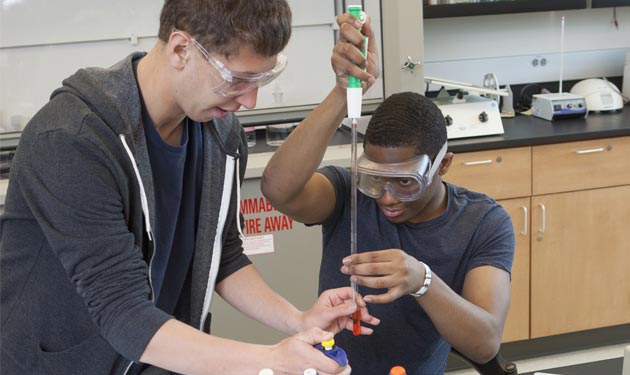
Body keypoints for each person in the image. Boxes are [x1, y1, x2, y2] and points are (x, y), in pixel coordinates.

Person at [0, 1, 379, 374]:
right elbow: (123, 312)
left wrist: (298, 319)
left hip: (157, 358)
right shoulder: (71, 141)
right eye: (237, 80)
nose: (249, 101)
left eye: (262, 80)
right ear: (181, 49)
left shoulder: (221, 135)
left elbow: (223, 255)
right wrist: (272, 360)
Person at [261, 20, 515, 374]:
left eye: (405, 182)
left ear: (443, 166)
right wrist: (343, 91)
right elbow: (277, 189)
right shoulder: (347, 195)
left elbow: (485, 342)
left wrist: (422, 281)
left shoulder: (483, 223)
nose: (387, 197)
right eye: (375, 179)